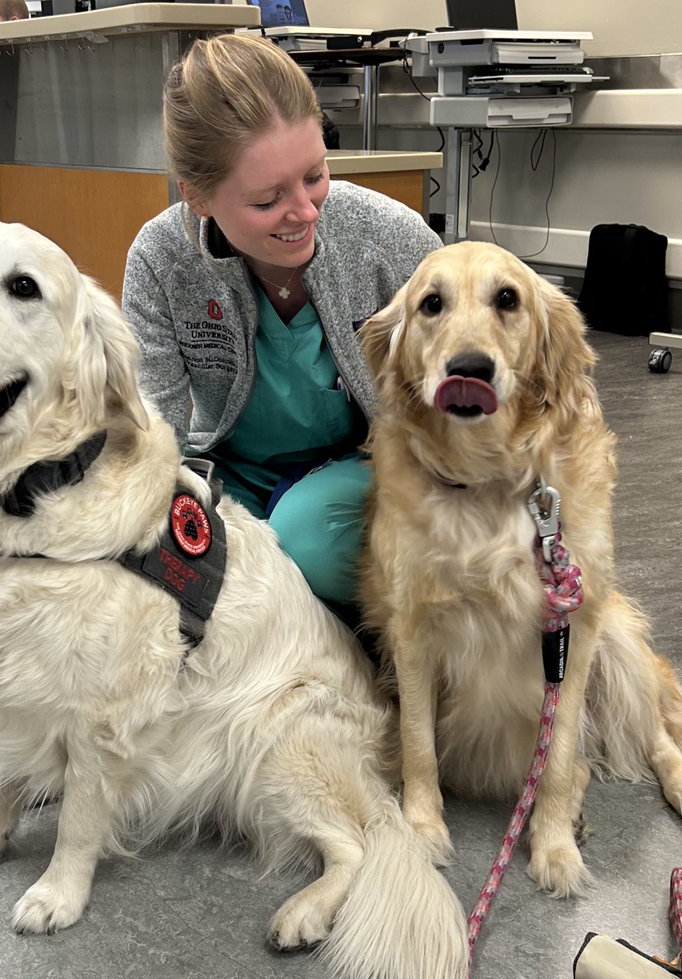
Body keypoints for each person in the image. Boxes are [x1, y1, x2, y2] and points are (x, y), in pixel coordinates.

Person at [122, 34, 441, 608]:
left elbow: (463, 401)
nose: (306, 211)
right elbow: (152, 429)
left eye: (315, 175)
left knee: (305, 544)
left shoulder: (393, 239)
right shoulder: (160, 256)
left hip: (369, 465)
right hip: (230, 474)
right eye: (268, 200)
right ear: (197, 196)